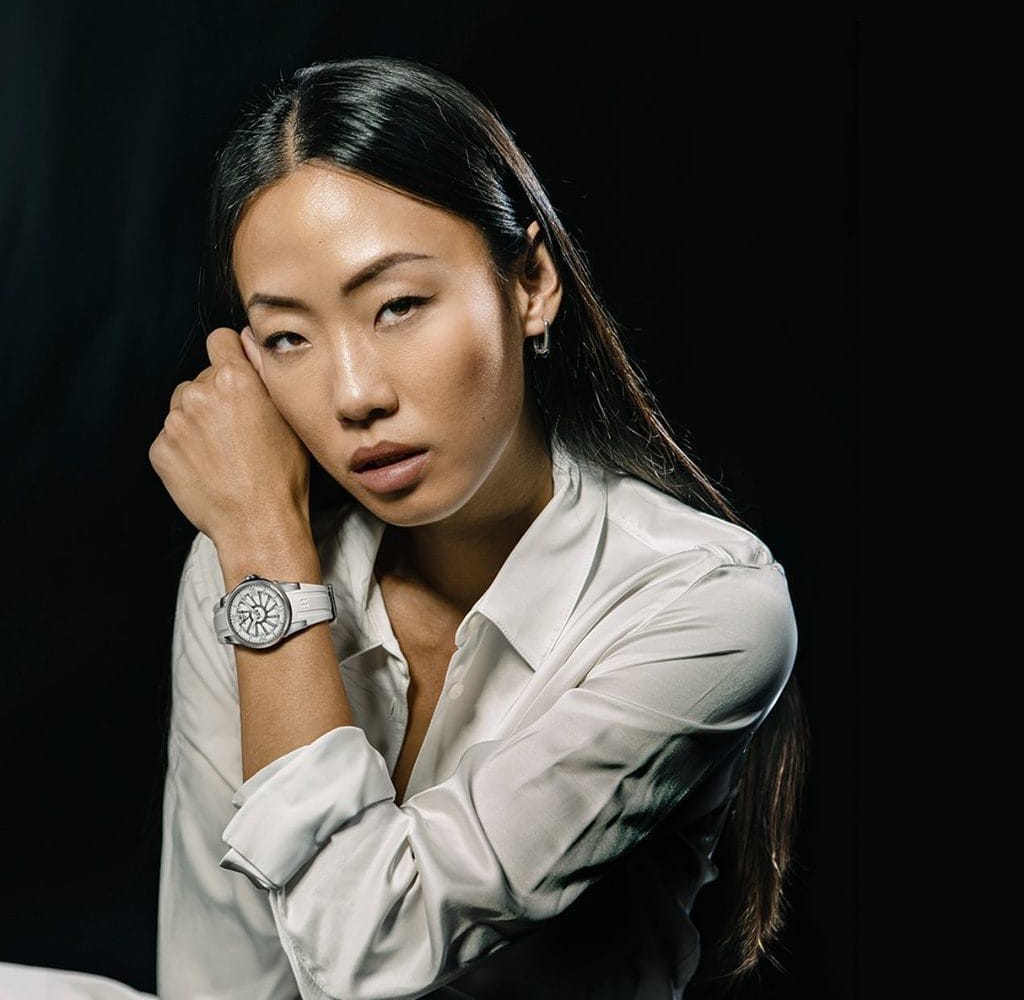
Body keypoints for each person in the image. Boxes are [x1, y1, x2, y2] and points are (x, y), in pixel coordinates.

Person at [0, 54, 808, 1000]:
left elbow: (369, 949)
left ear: (531, 282)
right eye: (288, 337)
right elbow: (221, 974)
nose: (354, 395)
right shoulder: (243, 562)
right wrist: (261, 554)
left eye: (399, 306)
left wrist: (265, 555)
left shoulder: (707, 604)